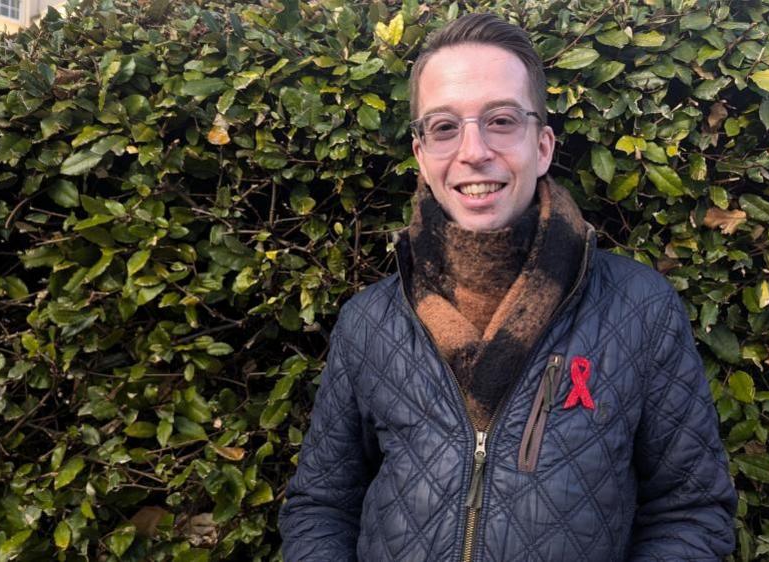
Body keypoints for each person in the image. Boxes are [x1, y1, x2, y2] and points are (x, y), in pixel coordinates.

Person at [279, 13, 737, 561]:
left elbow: (689, 509)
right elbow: (321, 506)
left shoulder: (640, 308)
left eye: (500, 120)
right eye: (445, 126)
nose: (473, 150)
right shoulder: (368, 322)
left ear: (541, 146)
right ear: (422, 157)